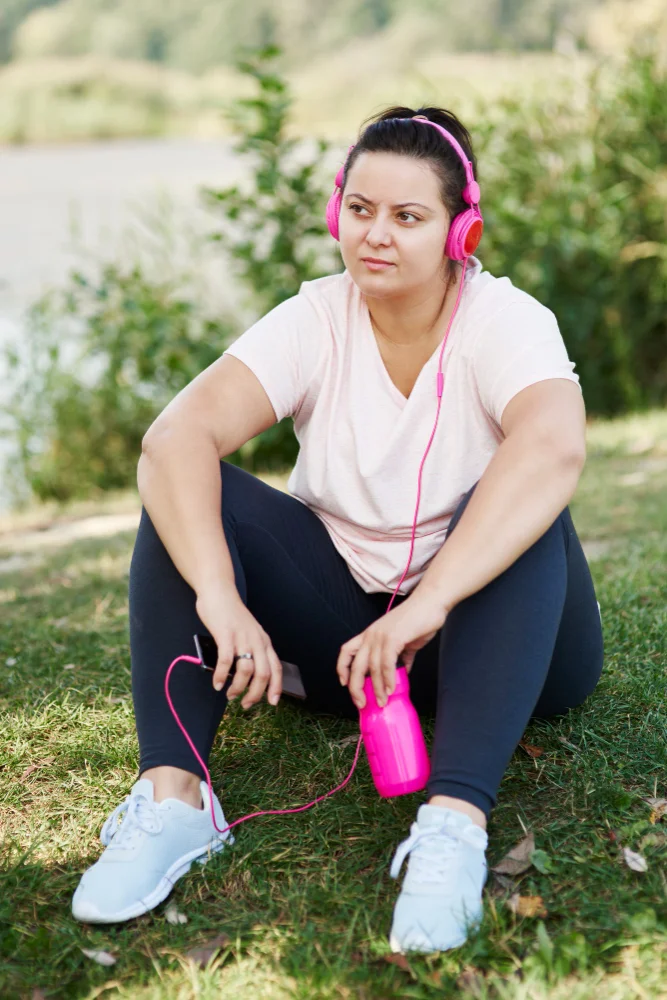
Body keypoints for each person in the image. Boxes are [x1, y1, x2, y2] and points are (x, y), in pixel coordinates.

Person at [71, 106, 604, 954]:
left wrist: (427, 603)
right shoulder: (315, 317)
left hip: (513, 653)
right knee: (184, 485)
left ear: (459, 230)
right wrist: (220, 597)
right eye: (359, 209)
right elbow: (174, 439)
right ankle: (176, 800)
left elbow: (554, 445)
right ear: (335, 213)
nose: (375, 235)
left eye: (407, 216)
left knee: (513, 495)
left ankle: (453, 823)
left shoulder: (507, 321)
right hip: (353, 654)